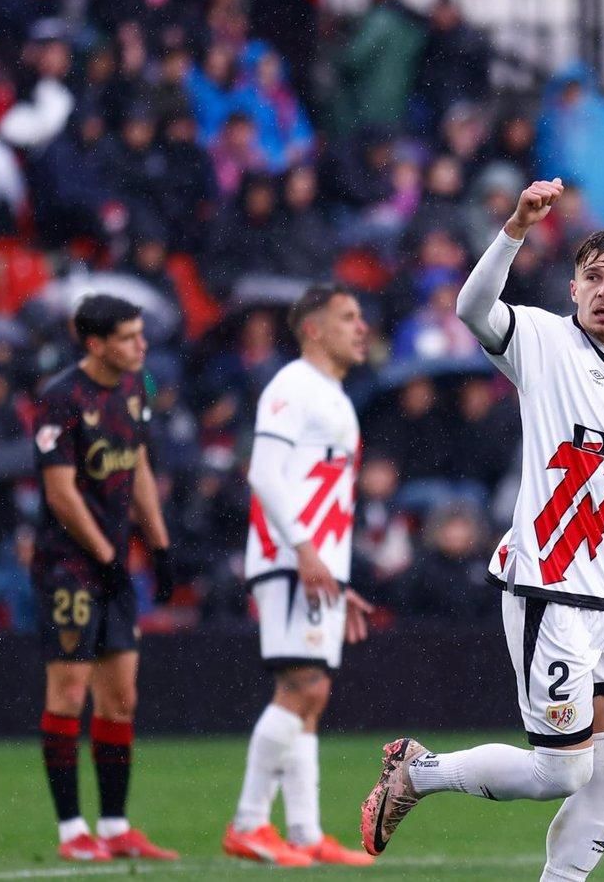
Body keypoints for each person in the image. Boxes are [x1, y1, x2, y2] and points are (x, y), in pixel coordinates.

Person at [358, 179, 604, 880]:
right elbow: (472, 308)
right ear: (573, 288)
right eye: (593, 278)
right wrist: (516, 228)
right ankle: (419, 773)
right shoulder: (543, 341)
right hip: (549, 585)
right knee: (561, 772)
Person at [222, 285, 377, 867]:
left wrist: (335, 575)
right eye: (348, 317)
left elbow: (321, 493)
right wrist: (307, 553)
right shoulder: (292, 385)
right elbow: (264, 473)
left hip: (316, 565)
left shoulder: (334, 396)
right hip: (290, 559)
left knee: (314, 696)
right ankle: (248, 823)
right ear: (312, 328)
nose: (361, 327)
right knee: (302, 687)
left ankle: (306, 832)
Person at [31, 294, 178, 861]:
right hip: (68, 567)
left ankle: (115, 826)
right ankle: (72, 831)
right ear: (95, 344)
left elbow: (136, 464)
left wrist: (159, 546)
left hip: (114, 565)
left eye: (141, 333)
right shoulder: (61, 398)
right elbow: (60, 493)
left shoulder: (135, 389)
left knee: (120, 698)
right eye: (129, 337)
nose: (142, 345)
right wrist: (107, 556)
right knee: (69, 692)